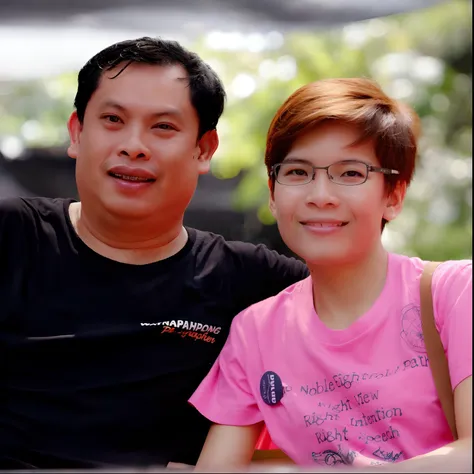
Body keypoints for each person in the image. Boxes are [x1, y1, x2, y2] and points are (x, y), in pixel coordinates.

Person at [0, 37, 309, 469]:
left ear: (203, 149)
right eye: (112, 119)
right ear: (76, 132)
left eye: (162, 126)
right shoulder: (13, 237)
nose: (133, 145)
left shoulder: (254, 282)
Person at [190, 78, 472, 471]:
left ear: (393, 195)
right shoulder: (255, 333)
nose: (320, 194)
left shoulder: (454, 293)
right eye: (298, 172)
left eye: (351, 173)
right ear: (272, 194)